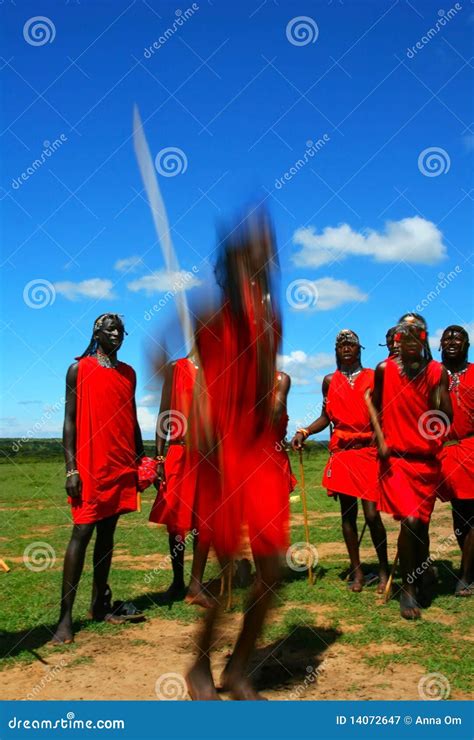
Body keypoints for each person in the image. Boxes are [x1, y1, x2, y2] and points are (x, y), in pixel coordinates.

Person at [185, 210, 289, 701]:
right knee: (229, 572)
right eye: (254, 254)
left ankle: (240, 666)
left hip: (260, 452)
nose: (265, 261)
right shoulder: (212, 315)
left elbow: (264, 384)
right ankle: (200, 666)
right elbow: (208, 384)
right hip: (224, 453)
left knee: (272, 571)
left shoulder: (273, 318)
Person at [52, 314, 144, 645]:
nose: (117, 334)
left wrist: (143, 458)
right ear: (96, 333)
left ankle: (99, 604)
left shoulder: (128, 373)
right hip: (89, 467)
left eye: (121, 329)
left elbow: (132, 418)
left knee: (107, 535)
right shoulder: (79, 369)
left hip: (120, 465)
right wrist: (71, 469)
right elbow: (69, 422)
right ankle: (64, 620)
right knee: (82, 531)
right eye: (111, 329)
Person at [292, 329, 389, 593]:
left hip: (368, 452)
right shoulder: (328, 381)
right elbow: (326, 417)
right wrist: (306, 431)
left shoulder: (373, 377)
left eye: (351, 345)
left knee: (372, 515)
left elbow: (384, 412)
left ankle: (383, 570)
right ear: (336, 352)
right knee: (348, 515)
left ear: (360, 350)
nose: (346, 348)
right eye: (341, 346)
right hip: (344, 454)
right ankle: (357, 572)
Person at [372, 319, 452, 619]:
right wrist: (380, 438)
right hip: (396, 462)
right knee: (410, 519)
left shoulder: (436, 372)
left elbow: (447, 416)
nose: (403, 344)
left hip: (426, 463)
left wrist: (433, 414)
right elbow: (376, 410)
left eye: (411, 339)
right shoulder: (384, 370)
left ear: (422, 342)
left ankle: (419, 575)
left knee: (421, 526)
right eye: (400, 338)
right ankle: (407, 589)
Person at [149, 351, 213, 607]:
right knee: (177, 522)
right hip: (178, 450)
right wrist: (159, 457)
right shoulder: (176, 367)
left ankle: (196, 585)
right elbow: (164, 413)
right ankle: (178, 581)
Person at [438, 326, 473, 596]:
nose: (452, 341)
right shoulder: (430, 375)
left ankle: (466, 575)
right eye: (447, 337)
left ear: (467, 344)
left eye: (457, 337)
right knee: (459, 516)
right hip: (446, 452)